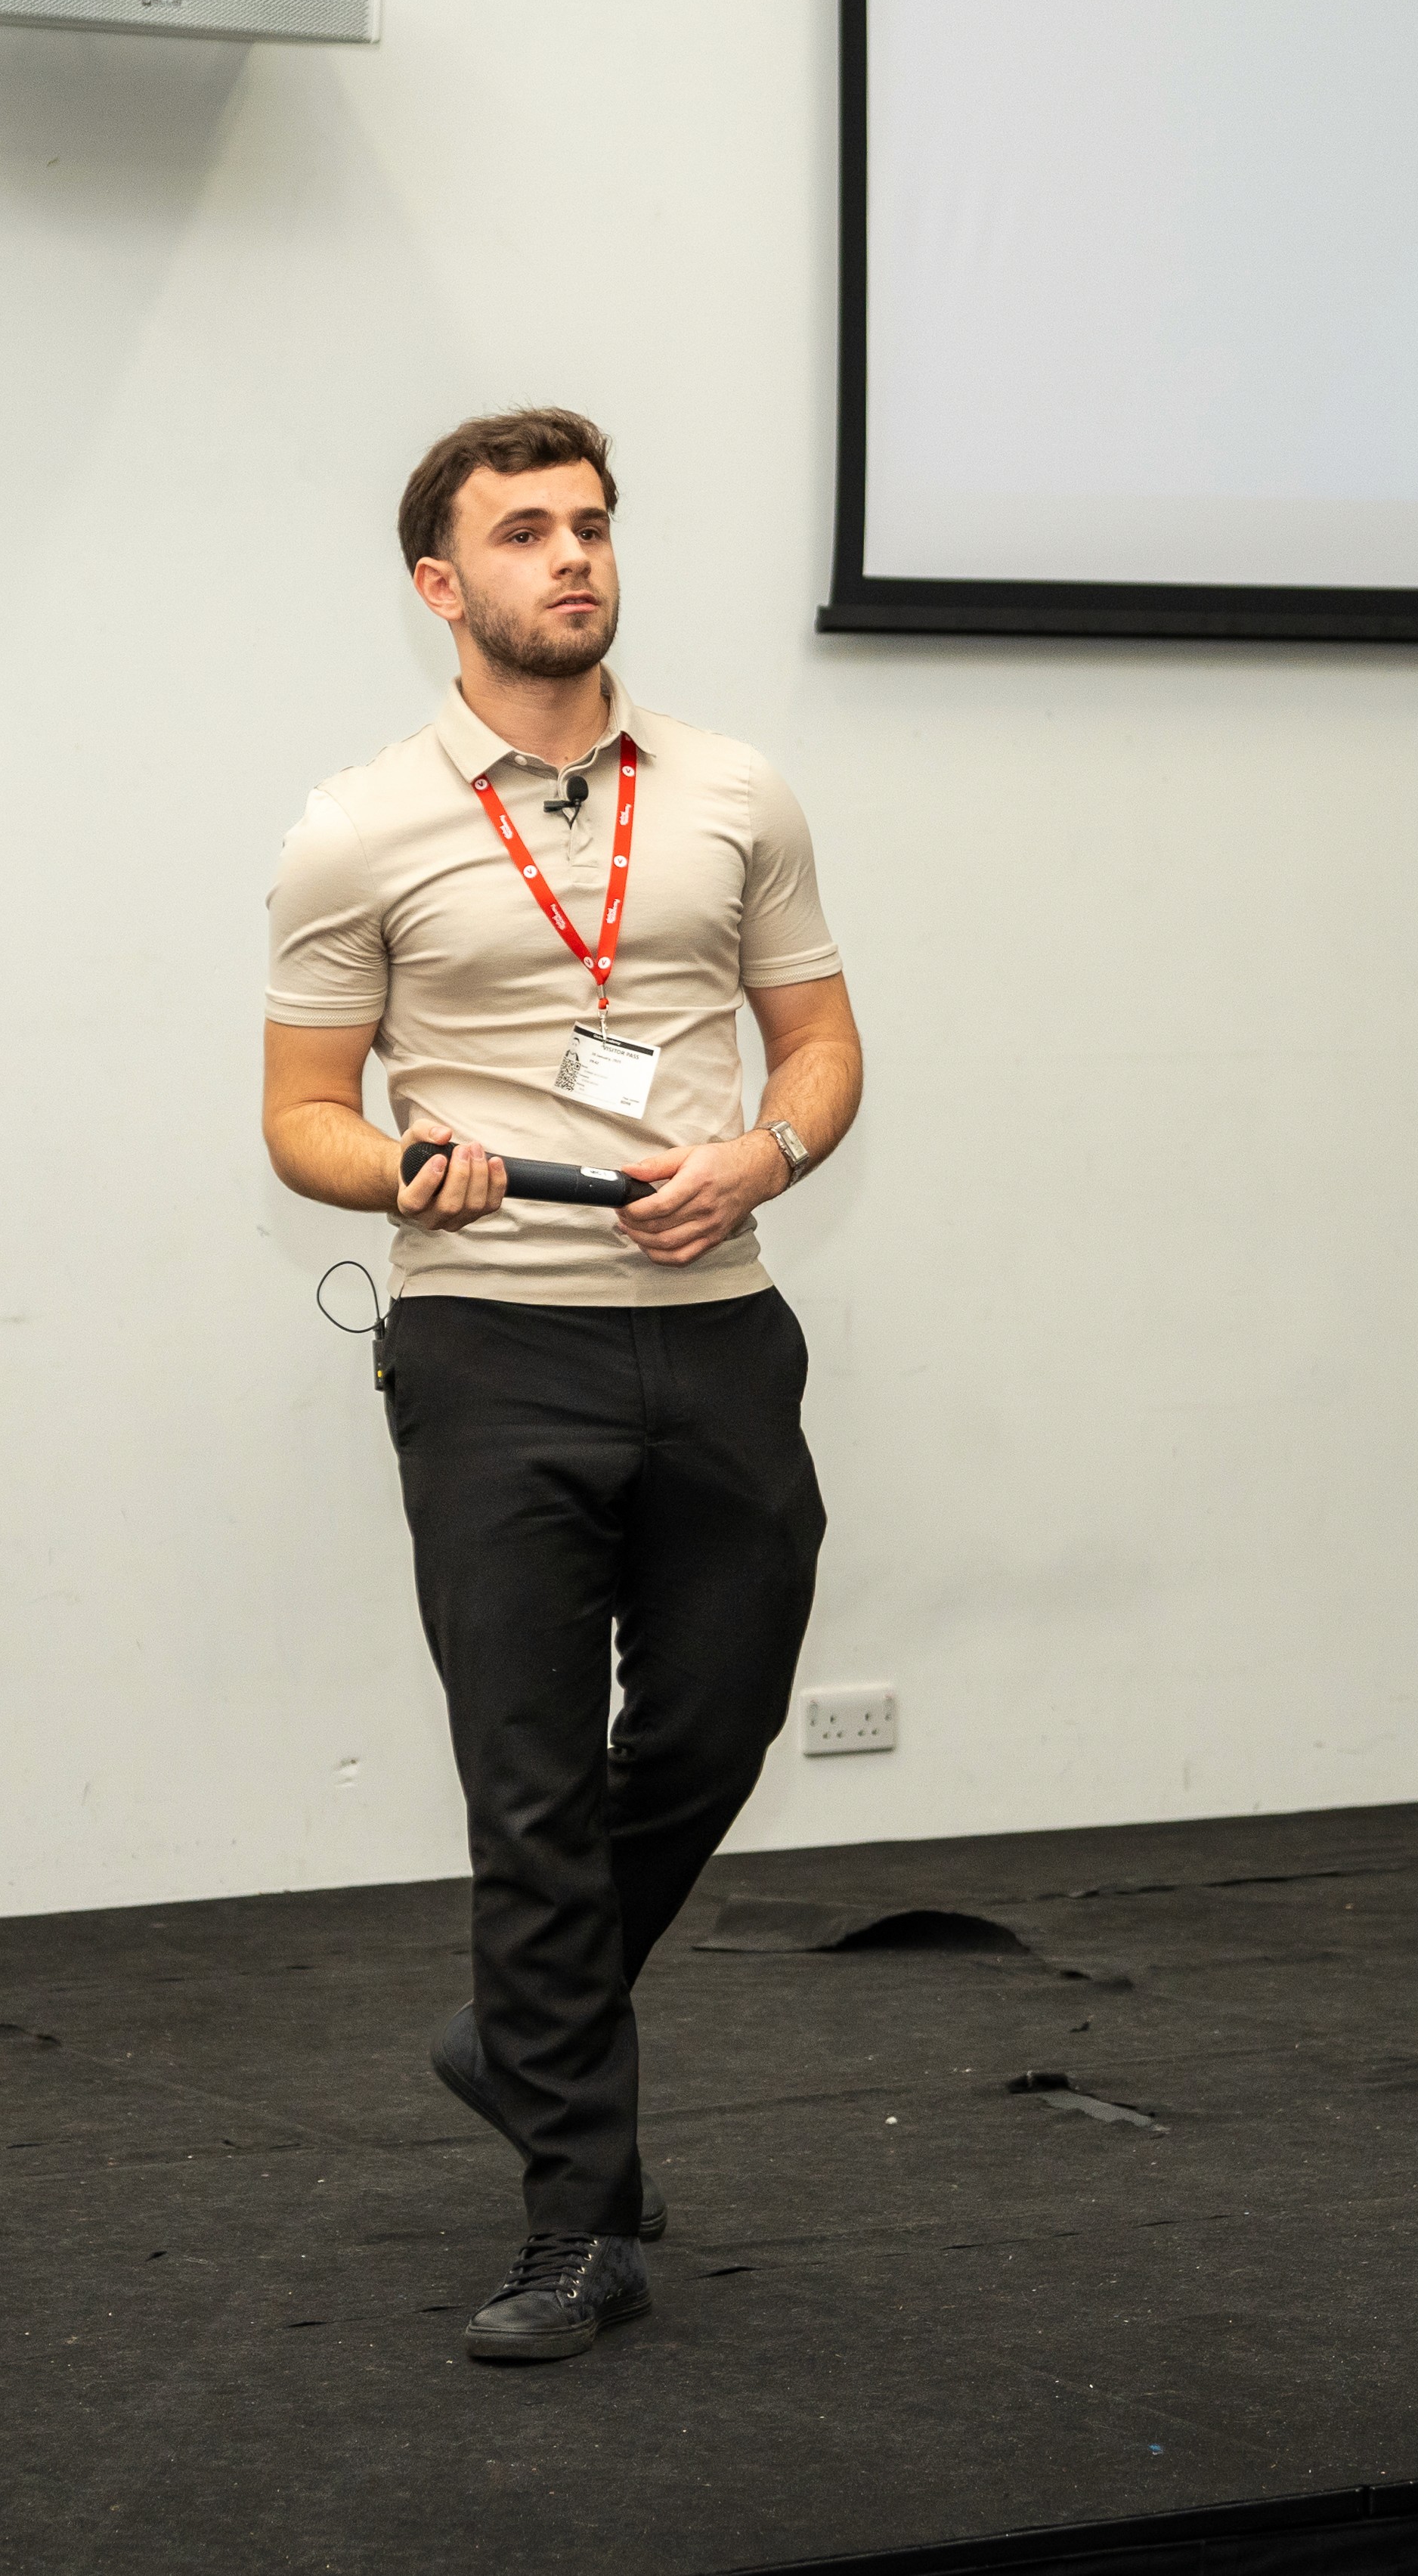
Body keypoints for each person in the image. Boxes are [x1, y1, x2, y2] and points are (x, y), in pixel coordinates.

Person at [261, 406, 865, 2364]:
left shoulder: (736, 792)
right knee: (528, 1790)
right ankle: (576, 2227)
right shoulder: (358, 826)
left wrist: (764, 1154)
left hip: (719, 1325)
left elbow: (823, 1045)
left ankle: (518, 2030)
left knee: (714, 1722)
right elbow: (300, 1115)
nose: (574, 556)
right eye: (525, 531)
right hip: (492, 1343)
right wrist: (398, 1165)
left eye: (591, 523)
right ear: (442, 585)